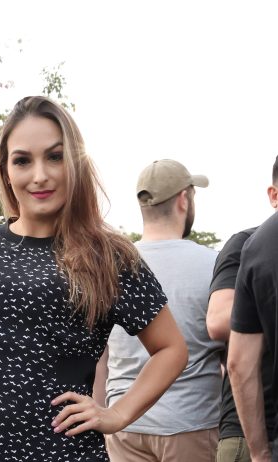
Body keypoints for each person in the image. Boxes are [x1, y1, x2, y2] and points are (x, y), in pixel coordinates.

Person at [0, 96, 188, 462]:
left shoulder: (108, 255)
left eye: (55, 157)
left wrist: (116, 414)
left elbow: (171, 349)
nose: (40, 175)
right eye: (22, 160)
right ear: (6, 170)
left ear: (75, 162)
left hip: (62, 451)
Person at [105, 159, 223, 461]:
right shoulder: (214, 265)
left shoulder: (112, 266)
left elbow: (99, 353)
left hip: (122, 425)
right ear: (184, 199)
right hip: (190, 424)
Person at [207, 156, 278, 462]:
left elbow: (238, 361)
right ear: (273, 195)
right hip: (249, 425)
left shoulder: (259, 245)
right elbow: (218, 320)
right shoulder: (248, 244)